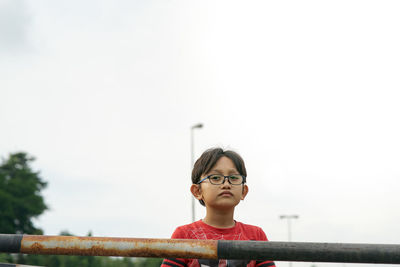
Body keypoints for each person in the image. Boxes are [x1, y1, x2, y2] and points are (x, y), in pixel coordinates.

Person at [161, 147, 276, 267]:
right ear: (197, 191)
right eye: (215, 178)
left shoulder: (256, 236)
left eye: (234, 178)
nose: (226, 184)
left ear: (243, 191)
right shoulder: (184, 235)